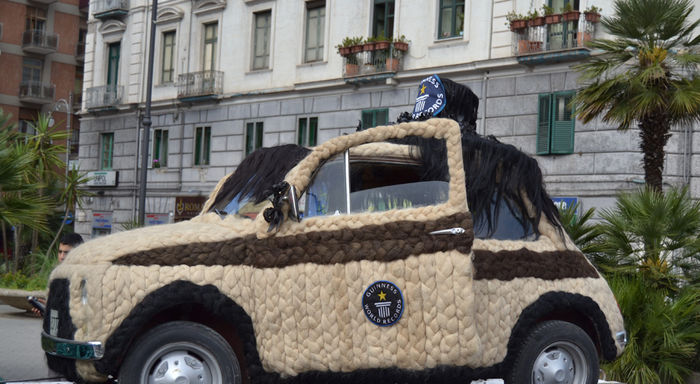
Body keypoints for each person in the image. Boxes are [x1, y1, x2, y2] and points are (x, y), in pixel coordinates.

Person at [31, 233, 84, 316]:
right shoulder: (56, 277)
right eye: (60, 252)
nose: (62, 256)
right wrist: (46, 307)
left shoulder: (85, 277)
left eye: (66, 252)